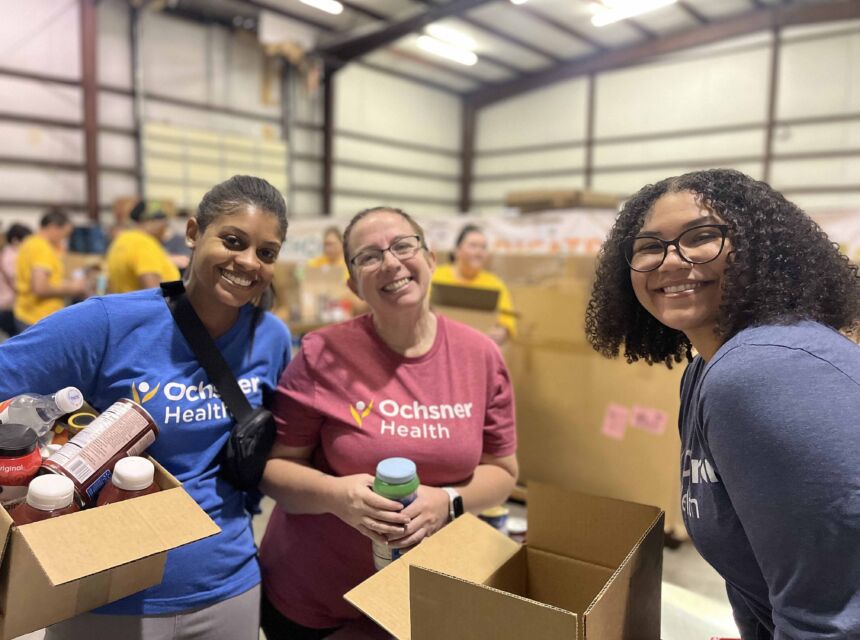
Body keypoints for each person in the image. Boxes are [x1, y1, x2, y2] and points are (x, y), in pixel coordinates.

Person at [0, 175, 291, 640]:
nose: (247, 262)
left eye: (266, 252)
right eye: (233, 241)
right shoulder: (109, 323)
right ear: (194, 233)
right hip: (106, 591)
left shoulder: (270, 337)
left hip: (228, 582)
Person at [585, 168, 860, 639]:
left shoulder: (762, 371)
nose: (671, 261)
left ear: (761, 250)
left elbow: (833, 616)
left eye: (702, 236)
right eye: (649, 246)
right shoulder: (705, 370)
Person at [259, 206, 518, 638]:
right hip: (317, 599)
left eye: (403, 245)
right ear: (353, 284)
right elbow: (274, 472)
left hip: (422, 599)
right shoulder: (323, 353)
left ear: (431, 259)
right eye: (369, 256)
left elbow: (503, 472)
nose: (392, 262)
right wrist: (337, 495)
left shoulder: (480, 357)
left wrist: (448, 501)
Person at [432, 224, 517, 344]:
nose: (479, 252)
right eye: (473, 246)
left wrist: (503, 332)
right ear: (457, 251)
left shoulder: (494, 284)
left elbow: (508, 319)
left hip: (478, 346)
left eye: (483, 247)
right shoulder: (436, 277)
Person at [13, 209, 88, 332]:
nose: (64, 239)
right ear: (53, 227)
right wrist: (73, 287)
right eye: (64, 234)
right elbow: (40, 287)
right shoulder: (43, 248)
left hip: (25, 312)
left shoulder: (29, 242)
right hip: (38, 317)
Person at [106, 200, 181, 293]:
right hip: (149, 307)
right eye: (164, 224)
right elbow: (154, 293)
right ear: (151, 221)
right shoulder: (144, 244)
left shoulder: (122, 240)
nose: (165, 230)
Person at [0, 223, 32, 338]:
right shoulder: (13, 257)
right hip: (8, 306)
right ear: (15, 240)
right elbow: (17, 285)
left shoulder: (6, 254)